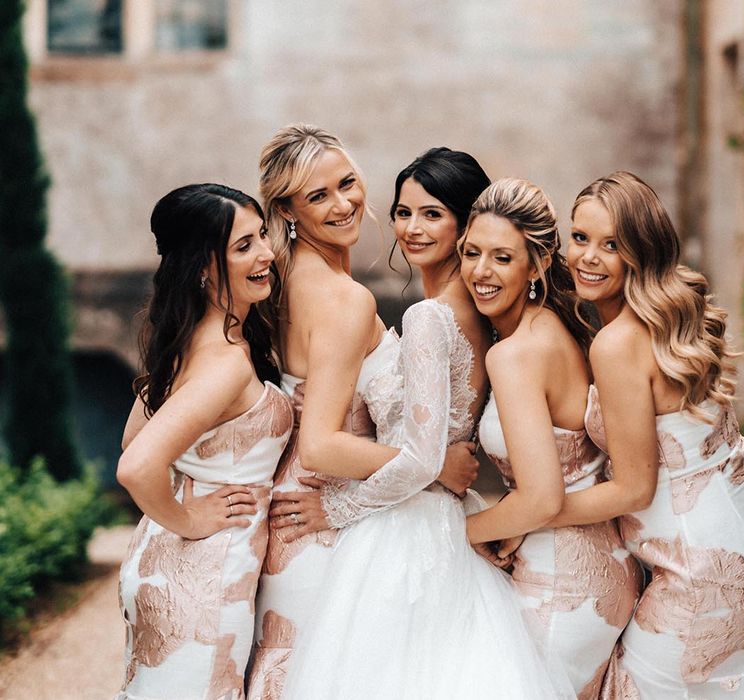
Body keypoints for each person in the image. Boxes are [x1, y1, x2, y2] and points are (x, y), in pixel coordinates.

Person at [270, 151, 575, 699]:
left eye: (432, 214)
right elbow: (434, 450)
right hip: (427, 513)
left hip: (403, 527)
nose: (411, 228)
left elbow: (420, 455)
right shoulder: (483, 315)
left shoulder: (429, 317)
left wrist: (336, 510)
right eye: (403, 212)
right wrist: (437, 463)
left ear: (464, 224)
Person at [247, 128, 480, 698]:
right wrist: (434, 466)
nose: (344, 203)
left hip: (293, 502)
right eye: (318, 195)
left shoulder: (280, 279)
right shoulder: (343, 297)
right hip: (320, 516)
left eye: (347, 182)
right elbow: (322, 443)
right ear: (288, 210)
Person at [553, 171, 744, 697]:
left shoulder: (619, 342)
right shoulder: (674, 315)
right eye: (580, 238)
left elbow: (632, 489)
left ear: (641, 252)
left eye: (611, 245)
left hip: (699, 571)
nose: (588, 257)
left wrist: (534, 512)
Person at [459, 178, 642, 697]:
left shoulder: (515, 354)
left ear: (536, 264)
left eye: (502, 257)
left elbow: (540, 498)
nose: (481, 271)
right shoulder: (556, 328)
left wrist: (456, 535)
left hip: (564, 581)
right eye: (472, 253)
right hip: (595, 568)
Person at [115, 184, 293, 700]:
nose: (265, 254)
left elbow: (132, 435)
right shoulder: (224, 361)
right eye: (243, 246)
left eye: (261, 235)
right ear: (201, 268)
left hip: (164, 562)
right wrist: (192, 518)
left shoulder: (188, 338)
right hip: (205, 573)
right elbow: (136, 464)